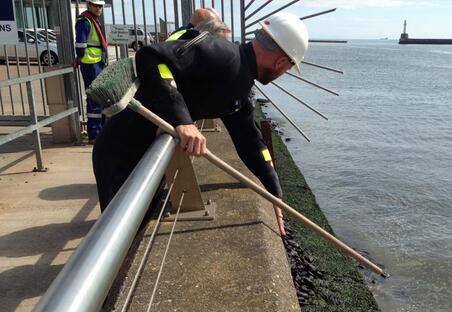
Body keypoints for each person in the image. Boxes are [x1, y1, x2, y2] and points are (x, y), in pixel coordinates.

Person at [92, 12, 308, 236]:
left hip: (147, 156)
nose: (284, 72)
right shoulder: (223, 55)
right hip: (119, 155)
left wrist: (275, 193)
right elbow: (150, 57)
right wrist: (183, 120)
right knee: (114, 238)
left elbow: (251, 143)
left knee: (134, 231)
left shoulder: (239, 85)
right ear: (281, 61)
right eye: (288, 68)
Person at [74, 0, 108, 144]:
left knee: (101, 97)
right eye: (96, 5)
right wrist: (79, 57)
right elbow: (81, 44)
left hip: (98, 62)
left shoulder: (93, 20)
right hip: (90, 63)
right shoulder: (84, 21)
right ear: (89, 5)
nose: (99, 8)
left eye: (101, 6)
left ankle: (102, 130)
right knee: (94, 98)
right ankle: (94, 134)